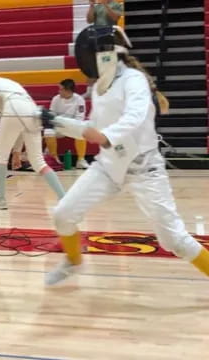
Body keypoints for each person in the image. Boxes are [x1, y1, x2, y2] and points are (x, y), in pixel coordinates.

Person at [45, 25, 209, 285]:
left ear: (106, 54)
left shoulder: (134, 80)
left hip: (145, 169)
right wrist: (56, 122)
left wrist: (107, 136)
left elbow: (135, 116)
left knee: (174, 240)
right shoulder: (100, 87)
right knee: (63, 214)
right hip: (108, 167)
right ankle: (74, 262)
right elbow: (91, 130)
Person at [0, 77, 66, 210]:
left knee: (1, 157)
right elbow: (19, 125)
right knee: (38, 161)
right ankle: (63, 198)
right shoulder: (10, 86)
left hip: (15, 108)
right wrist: (17, 151)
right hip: (32, 109)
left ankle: (0, 199)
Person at [45, 79, 89, 169]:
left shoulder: (79, 99)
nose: (59, 91)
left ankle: (81, 160)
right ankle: (54, 159)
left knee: (82, 131)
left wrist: (69, 124)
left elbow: (80, 118)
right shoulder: (56, 99)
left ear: (68, 90)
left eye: (61, 89)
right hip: (58, 126)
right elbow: (51, 115)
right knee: (48, 131)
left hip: (72, 126)